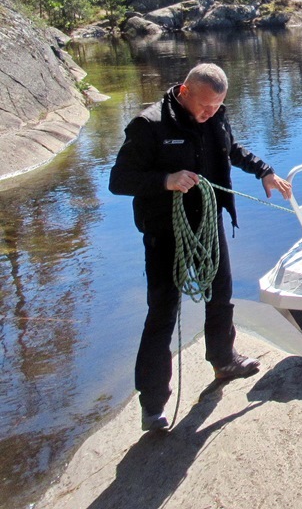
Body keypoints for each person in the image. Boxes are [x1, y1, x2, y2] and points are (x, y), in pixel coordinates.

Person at [109, 63, 292, 432]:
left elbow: (231, 149)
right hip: (165, 233)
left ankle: (224, 360)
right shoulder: (150, 125)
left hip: (207, 226)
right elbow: (119, 180)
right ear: (185, 91)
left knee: (221, 295)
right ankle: (153, 404)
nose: (210, 113)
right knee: (162, 313)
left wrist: (264, 170)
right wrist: (166, 179)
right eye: (205, 106)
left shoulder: (216, 117)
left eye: (216, 107)